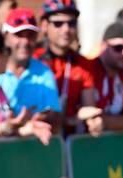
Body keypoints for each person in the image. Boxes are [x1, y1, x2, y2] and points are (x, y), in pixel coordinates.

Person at [35, 0, 100, 134]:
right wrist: (70, 119)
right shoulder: (32, 61)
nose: (66, 29)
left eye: (71, 23)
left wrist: (94, 122)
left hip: (69, 143)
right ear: (45, 25)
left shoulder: (84, 65)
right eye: (58, 23)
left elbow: (90, 109)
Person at [0, 8, 62, 120]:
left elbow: (55, 118)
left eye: (30, 35)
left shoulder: (44, 72)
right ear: (5, 37)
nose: (25, 41)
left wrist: (47, 118)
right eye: (19, 35)